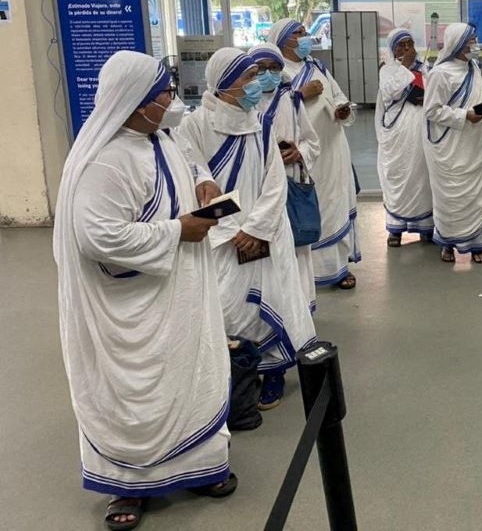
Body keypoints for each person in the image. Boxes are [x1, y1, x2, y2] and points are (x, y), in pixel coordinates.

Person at [54, 51, 237, 531]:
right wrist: (177, 231)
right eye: (165, 96)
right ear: (136, 104)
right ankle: (126, 485)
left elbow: (190, 161)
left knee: (192, 374)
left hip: (183, 293)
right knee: (134, 395)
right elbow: (97, 237)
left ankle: (199, 467)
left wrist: (203, 182)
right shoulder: (107, 161)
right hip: (133, 308)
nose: (173, 103)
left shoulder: (160, 135)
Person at [176, 47, 316, 410]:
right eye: (248, 77)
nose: (256, 84)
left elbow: (274, 181)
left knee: (276, 298)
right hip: (222, 235)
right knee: (228, 307)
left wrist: (256, 228)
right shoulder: (195, 125)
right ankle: (240, 372)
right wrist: (230, 227)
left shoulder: (260, 121)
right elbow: (193, 171)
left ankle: (274, 372)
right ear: (224, 84)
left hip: (266, 230)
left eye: (257, 75)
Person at [269, 18, 361, 290]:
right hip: (304, 155)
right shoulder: (276, 72)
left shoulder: (317, 66)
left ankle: (339, 267)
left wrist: (343, 109)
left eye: (305, 32)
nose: (306, 36)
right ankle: (308, 275)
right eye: (299, 33)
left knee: (336, 206)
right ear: (284, 40)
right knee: (311, 210)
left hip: (333, 149)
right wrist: (300, 94)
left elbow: (338, 95)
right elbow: (270, 109)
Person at [250, 43, 322, 314]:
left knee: (296, 248)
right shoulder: (244, 104)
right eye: (261, 69)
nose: (268, 74)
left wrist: (298, 152)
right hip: (257, 189)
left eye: (274, 68)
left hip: (290, 185)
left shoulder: (290, 100)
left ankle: (301, 312)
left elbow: (312, 142)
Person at [424, 22, 482, 264]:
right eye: (470, 41)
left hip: (476, 145)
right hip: (452, 148)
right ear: (457, 43)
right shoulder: (440, 73)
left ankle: (478, 244)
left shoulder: (473, 67)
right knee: (451, 198)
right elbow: (432, 111)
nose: (474, 45)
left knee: (477, 196)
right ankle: (448, 243)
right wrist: (465, 116)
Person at [376, 28, 435, 246]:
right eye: (401, 45)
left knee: (422, 177)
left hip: (420, 131)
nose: (406, 48)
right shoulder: (388, 70)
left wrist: (424, 95)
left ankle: (426, 227)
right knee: (397, 176)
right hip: (397, 134)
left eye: (409, 44)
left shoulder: (425, 68)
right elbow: (390, 91)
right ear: (392, 48)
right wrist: (405, 67)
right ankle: (396, 229)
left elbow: (434, 92)